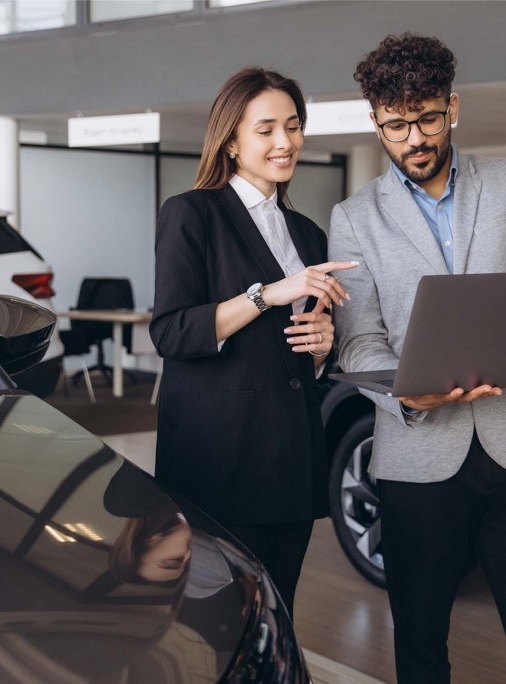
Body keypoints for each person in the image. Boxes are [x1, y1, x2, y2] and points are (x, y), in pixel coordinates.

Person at [329, 33, 506, 684]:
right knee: (419, 646)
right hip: (417, 460)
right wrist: (402, 395)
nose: (413, 138)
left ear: (452, 106)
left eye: (426, 118)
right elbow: (357, 338)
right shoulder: (354, 218)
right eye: (395, 125)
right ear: (375, 123)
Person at [150, 67, 357, 619]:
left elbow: (307, 351)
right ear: (231, 141)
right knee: (216, 624)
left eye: (293, 126)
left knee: (277, 617)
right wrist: (266, 294)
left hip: (289, 459)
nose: (284, 142)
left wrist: (321, 346)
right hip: (219, 462)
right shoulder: (191, 213)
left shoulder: (307, 233)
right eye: (265, 129)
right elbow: (171, 331)